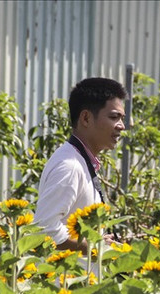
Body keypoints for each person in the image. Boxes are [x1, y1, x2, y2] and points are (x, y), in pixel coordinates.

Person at [34, 77, 126, 253]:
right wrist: (95, 248)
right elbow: (45, 229)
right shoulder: (69, 166)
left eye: (122, 118)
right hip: (64, 271)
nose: (121, 126)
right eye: (114, 117)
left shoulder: (79, 161)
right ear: (85, 118)